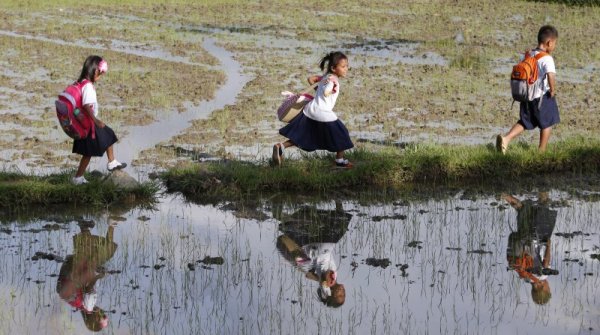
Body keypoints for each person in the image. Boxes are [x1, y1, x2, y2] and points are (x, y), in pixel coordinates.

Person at [273, 52, 354, 168]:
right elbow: (327, 91)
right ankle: (339, 161)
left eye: (347, 66)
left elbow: (311, 79)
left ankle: (280, 146)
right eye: (343, 66)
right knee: (342, 133)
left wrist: (319, 92)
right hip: (323, 113)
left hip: (310, 110)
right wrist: (327, 92)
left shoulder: (325, 77)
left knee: (305, 136)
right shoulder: (333, 80)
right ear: (333, 68)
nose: (346, 69)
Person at [496, 25, 560, 153]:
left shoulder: (529, 54)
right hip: (541, 97)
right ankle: (541, 151)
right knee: (547, 123)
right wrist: (552, 90)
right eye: (555, 44)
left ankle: (506, 139)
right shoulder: (547, 58)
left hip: (527, 96)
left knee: (526, 121)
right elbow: (550, 75)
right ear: (549, 42)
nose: (554, 47)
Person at [275, 202, 351, 307]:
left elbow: (325, 279)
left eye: (339, 295)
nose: (342, 292)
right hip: (320, 248)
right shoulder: (329, 278)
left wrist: (324, 283)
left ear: (331, 294)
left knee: (338, 225)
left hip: (321, 248)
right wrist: (317, 278)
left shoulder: (329, 282)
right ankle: (337, 202)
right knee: (334, 225)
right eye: (344, 295)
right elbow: (313, 276)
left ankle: (337, 201)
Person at [72, 56, 126, 185]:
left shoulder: (80, 82)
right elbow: (86, 105)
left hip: (83, 123)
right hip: (89, 124)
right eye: (100, 74)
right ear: (95, 71)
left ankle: (79, 177)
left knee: (91, 150)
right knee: (108, 135)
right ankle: (110, 163)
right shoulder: (88, 86)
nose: (100, 77)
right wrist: (96, 120)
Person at [56, 219, 118, 331]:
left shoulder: (89, 306)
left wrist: (99, 276)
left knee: (108, 251)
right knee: (91, 254)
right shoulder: (79, 306)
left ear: (95, 317)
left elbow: (89, 288)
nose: (103, 312)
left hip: (75, 268)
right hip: (69, 267)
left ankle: (111, 224)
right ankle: (85, 228)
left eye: (103, 316)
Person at [503, 192, 558, 305]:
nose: (548, 285)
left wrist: (549, 245)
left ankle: (543, 186)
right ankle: (504, 196)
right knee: (522, 209)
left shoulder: (542, 276)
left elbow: (546, 262)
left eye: (548, 289)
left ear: (543, 288)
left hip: (531, 238)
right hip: (521, 240)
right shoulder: (526, 277)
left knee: (543, 207)